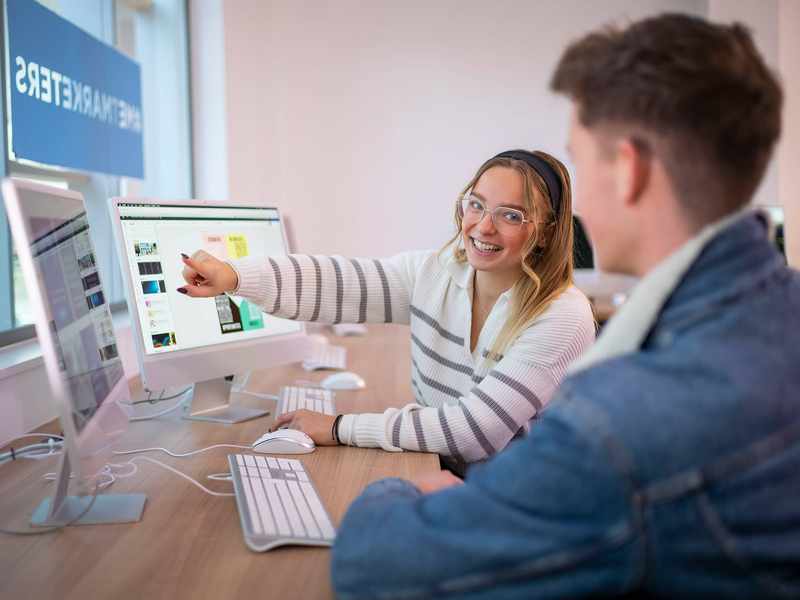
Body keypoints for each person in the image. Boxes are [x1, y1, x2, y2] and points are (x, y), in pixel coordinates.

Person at [328, 13, 800, 599]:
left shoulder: (623, 419)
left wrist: (407, 490)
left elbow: (373, 566)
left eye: (579, 160)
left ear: (628, 171)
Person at [178, 150, 595, 466]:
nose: (483, 226)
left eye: (510, 214)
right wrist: (233, 277)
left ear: (544, 233)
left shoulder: (561, 316)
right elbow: (331, 284)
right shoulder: (435, 274)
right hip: (455, 474)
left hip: (524, 504)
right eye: (476, 204)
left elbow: (474, 434)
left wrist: (341, 428)